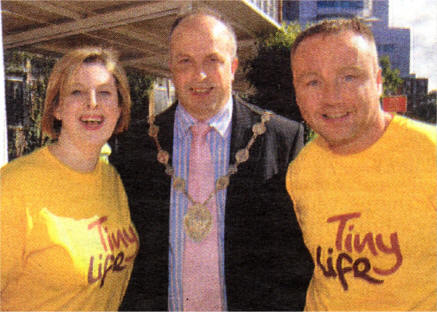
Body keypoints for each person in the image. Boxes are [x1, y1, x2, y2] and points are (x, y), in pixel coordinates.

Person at [111, 8, 312, 311]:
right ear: (171, 68)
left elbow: (295, 261)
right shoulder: (136, 145)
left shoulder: (280, 139)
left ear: (233, 67)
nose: (199, 75)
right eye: (185, 61)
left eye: (212, 60)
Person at [287, 18, 436, 310]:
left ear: (379, 82)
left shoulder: (430, 153)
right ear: (296, 91)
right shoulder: (301, 171)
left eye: (349, 77)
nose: (332, 97)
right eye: (313, 82)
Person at [1, 47, 139, 311]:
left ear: (119, 109)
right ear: (57, 108)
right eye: (77, 92)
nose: (93, 102)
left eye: (105, 93)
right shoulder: (13, 187)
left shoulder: (112, 180)